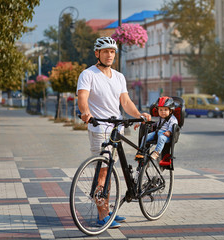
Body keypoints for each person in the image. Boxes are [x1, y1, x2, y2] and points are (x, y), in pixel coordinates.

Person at [77, 36, 151, 228]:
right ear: (97, 54)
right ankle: (102, 215)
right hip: (99, 128)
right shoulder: (88, 74)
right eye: (106, 51)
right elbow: (82, 98)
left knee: (109, 172)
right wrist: (86, 113)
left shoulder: (119, 76)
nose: (109, 55)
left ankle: (108, 211)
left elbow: (125, 102)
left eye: (112, 52)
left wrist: (139, 115)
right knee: (102, 172)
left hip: (117, 129)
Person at [135, 96, 178, 161]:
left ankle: (156, 152)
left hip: (166, 135)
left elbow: (173, 125)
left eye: (165, 110)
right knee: (145, 137)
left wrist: (169, 132)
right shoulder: (160, 118)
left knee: (161, 138)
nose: (163, 112)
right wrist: (140, 124)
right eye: (160, 110)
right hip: (157, 133)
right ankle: (141, 151)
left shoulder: (172, 119)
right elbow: (151, 122)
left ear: (170, 111)